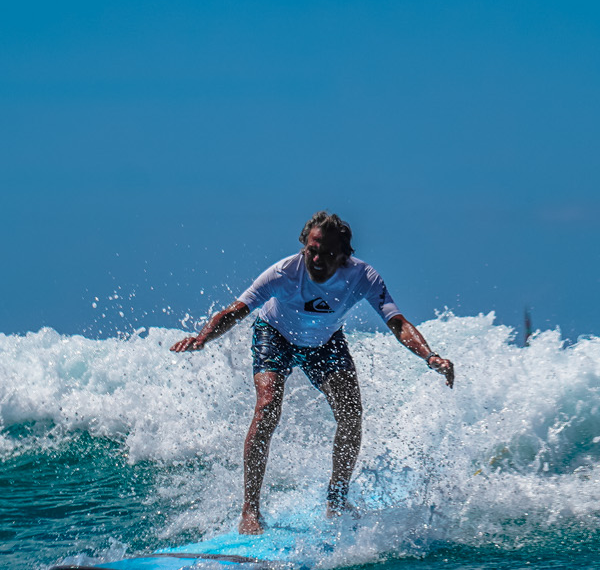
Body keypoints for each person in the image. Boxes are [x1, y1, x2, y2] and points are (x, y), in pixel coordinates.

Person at [171, 211, 454, 534]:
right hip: (274, 334)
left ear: (345, 255)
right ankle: (250, 510)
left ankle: (336, 501)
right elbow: (237, 310)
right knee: (266, 407)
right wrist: (203, 338)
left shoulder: (363, 277)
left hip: (324, 342)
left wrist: (430, 357)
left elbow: (397, 322)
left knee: (351, 414)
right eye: (312, 250)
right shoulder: (282, 273)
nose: (317, 259)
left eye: (327, 254)